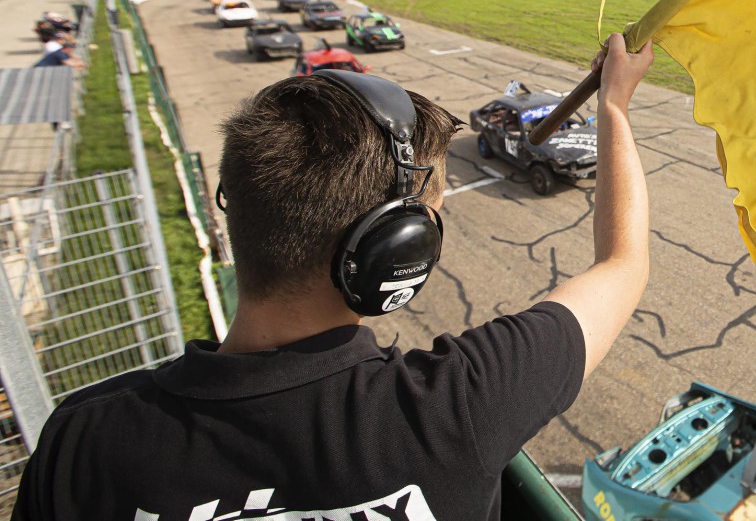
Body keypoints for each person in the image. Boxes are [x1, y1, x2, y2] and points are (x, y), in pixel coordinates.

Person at [15, 32, 655, 520]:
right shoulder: (455, 408)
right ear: (394, 252)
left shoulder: (82, 439)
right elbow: (622, 266)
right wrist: (615, 106)